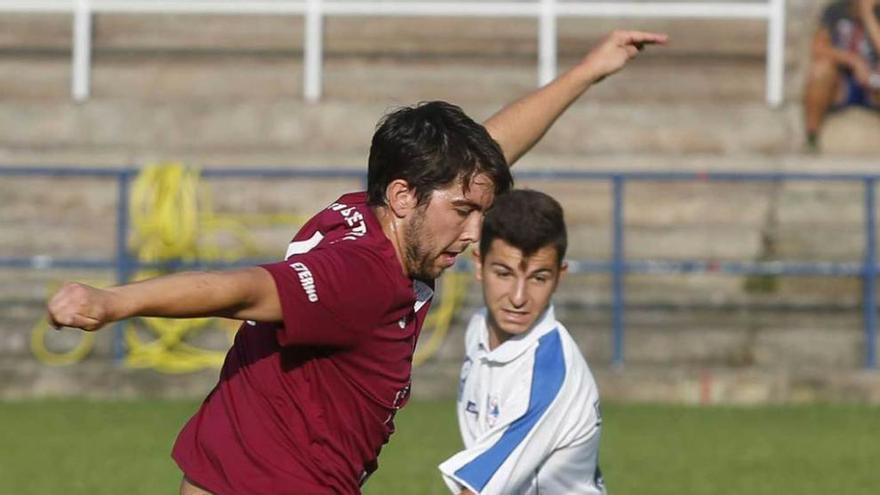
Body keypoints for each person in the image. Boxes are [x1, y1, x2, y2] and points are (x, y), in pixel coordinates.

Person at [46, 30, 666, 495]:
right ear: (404, 198)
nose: (478, 233)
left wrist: (587, 72)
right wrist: (113, 303)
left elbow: (493, 147)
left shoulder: (366, 210)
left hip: (232, 471)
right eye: (465, 212)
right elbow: (241, 289)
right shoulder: (365, 275)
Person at [438, 190, 603, 495]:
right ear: (479, 265)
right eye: (503, 273)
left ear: (559, 276)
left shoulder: (549, 375)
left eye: (539, 278)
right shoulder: (478, 327)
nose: (518, 298)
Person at [804, 0, 880, 151]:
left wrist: (868, 15)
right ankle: (811, 139)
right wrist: (854, 61)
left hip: (875, 85)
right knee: (820, 70)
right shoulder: (835, 10)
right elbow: (818, 48)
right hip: (842, 83)